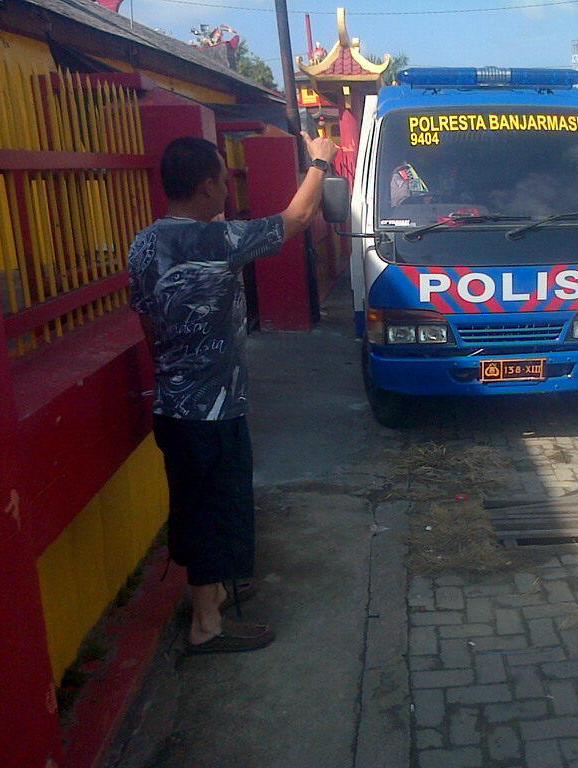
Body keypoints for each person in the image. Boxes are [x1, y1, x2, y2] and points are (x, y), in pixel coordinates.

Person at [127, 132, 337, 654]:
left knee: (196, 503)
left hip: (174, 403)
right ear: (204, 187)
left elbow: (147, 325)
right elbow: (297, 218)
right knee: (214, 511)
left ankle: (213, 593)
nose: (227, 185)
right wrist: (319, 160)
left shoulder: (143, 244)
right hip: (213, 408)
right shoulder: (215, 243)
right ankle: (206, 625)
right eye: (222, 177)